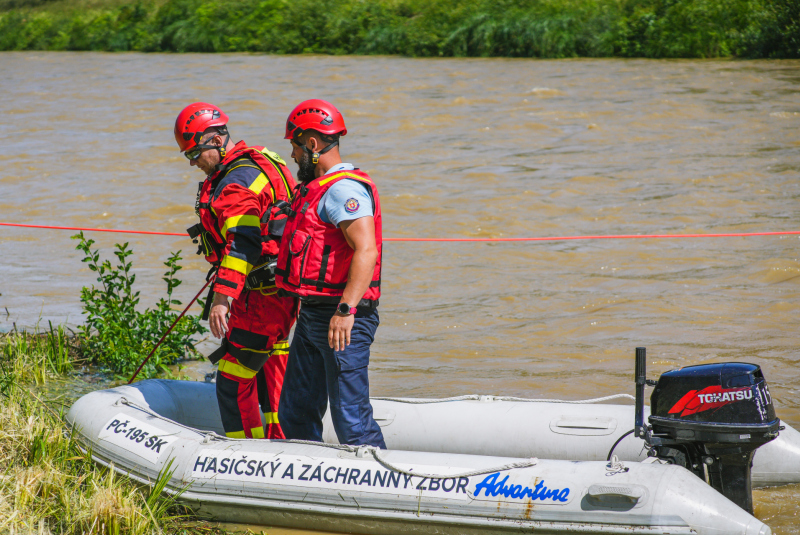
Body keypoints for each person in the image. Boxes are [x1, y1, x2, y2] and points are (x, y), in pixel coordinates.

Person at [174, 102, 298, 439]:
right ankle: (279, 441)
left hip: (259, 301)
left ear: (215, 141)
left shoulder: (235, 183)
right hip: (282, 293)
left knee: (230, 386)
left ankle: (248, 461)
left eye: (195, 153)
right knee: (269, 378)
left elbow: (242, 244)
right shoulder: (262, 161)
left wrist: (221, 298)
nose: (193, 162)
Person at [275, 99, 386, 448]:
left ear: (311, 144)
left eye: (294, 145)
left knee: (351, 420)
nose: (292, 155)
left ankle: (385, 491)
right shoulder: (314, 189)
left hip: (342, 317)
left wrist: (346, 310)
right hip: (312, 314)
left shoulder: (342, 189)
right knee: (295, 411)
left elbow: (366, 250)